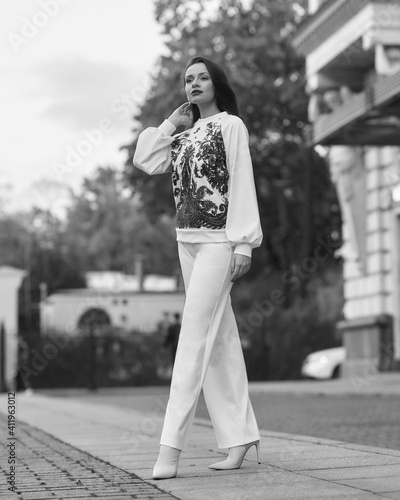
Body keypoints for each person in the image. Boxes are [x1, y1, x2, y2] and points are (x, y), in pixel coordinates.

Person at [133, 55, 263, 480]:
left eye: (202, 77)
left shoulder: (230, 126)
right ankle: (240, 436)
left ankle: (169, 447)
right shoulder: (185, 135)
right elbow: (146, 159)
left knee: (192, 339)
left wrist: (243, 242)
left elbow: (242, 178)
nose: (194, 84)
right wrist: (171, 123)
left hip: (219, 243)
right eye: (188, 79)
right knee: (220, 339)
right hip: (186, 243)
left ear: (216, 83)